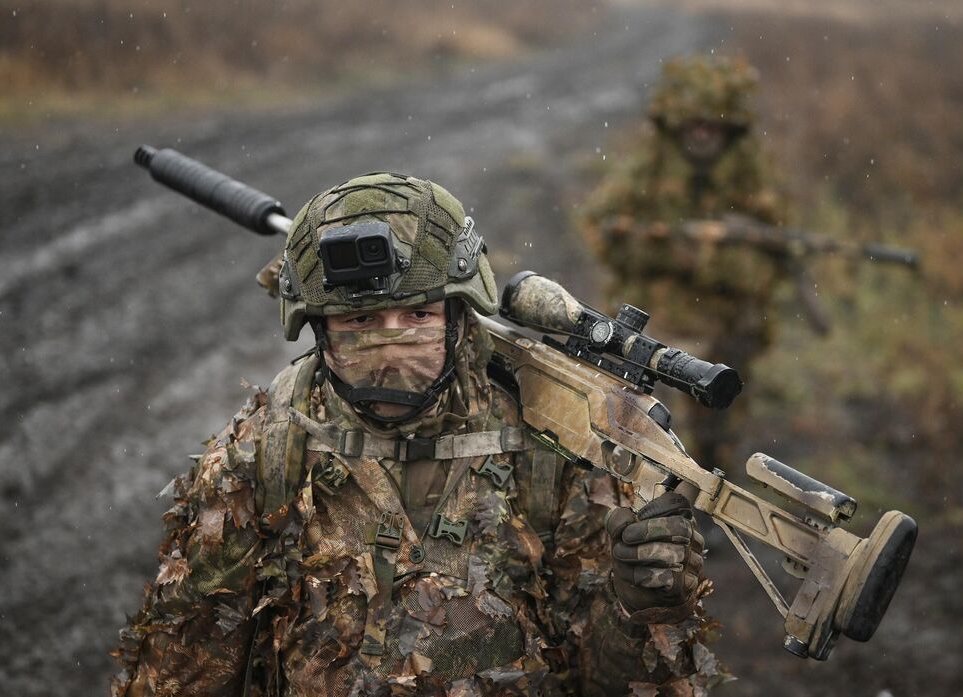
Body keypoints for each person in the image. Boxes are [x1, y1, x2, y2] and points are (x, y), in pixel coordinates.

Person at [112, 172, 726, 696]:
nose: (390, 349)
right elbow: (182, 671)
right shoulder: (263, 452)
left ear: (460, 314)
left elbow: (614, 682)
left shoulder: (553, 445)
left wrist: (640, 611)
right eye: (359, 321)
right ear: (318, 330)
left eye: (418, 316)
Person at [578, 55, 788, 471]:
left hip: (722, 318)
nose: (704, 135)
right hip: (653, 311)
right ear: (676, 125)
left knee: (718, 420)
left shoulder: (750, 180)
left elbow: (773, 257)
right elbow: (601, 229)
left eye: (714, 126)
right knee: (630, 420)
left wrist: (717, 266)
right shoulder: (647, 171)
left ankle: (710, 480)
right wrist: (667, 252)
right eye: (695, 125)